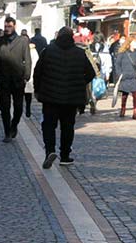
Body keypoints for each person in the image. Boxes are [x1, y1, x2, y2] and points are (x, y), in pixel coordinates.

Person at [34, 27, 97, 168]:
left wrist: (38, 90)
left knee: (49, 125)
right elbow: (91, 73)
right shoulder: (79, 53)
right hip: (71, 98)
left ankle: (50, 150)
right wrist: (79, 82)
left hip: (50, 97)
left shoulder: (48, 51)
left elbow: (37, 72)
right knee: (67, 127)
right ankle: (65, 155)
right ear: (71, 37)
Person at [0, 16, 33, 142]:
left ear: (14, 26)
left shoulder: (22, 41)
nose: (7, 28)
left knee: (18, 108)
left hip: (18, 80)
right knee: (5, 108)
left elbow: (27, 59)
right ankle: (7, 132)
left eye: (9, 26)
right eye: (5, 26)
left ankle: (14, 125)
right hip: (3, 80)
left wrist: (26, 76)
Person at [114, 39, 136, 119]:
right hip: (125, 77)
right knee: (124, 95)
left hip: (134, 77)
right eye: (134, 42)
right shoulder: (122, 53)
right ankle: (123, 110)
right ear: (129, 43)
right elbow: (117, 64)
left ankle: (135, 113)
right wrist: (120, 74)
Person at [25, 42, 40, 119]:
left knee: (26, 94)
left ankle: (27, 108)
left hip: (26, 75)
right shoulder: (33, 51)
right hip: (29, 75)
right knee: (28, 94)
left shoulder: (32, 51)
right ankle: (27, 108)